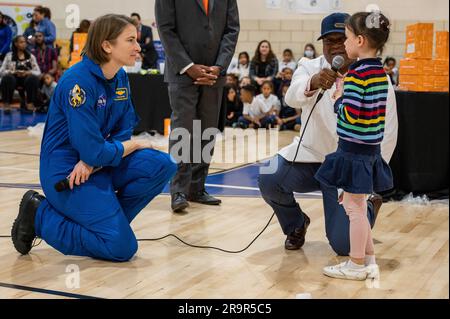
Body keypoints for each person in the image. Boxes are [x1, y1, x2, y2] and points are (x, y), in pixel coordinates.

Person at [11, 14, 177, 262]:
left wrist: (95, 159)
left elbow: (123, 125)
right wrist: (126, 146)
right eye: (130, 40)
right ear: (107, 45)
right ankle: (39, 214)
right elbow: (94, 147)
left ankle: (108, 224)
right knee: (122, 249)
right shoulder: (77, 82)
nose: (137, 46)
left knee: (163, 165)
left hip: (97, 163)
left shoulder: (120, 76)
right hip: (66, 172)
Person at [258, 13, 398, 260]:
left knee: (343, 246)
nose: (334, 46)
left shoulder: (377, 77)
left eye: (340, 39)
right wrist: (312, 83)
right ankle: (296, 224)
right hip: (311, 158)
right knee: (269, 175)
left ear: (355, 41)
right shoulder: (309, 66)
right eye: (328, 41)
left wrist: (366, 180)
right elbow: (291, 97)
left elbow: (388, 132)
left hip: (348, 166)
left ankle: (368, 205)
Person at [315, 11, 393, 281]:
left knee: (353, 208)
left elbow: (351, 114)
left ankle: (356, 264)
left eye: (346, 38)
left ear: (360, 40)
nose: (344, 45)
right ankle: (369, 259)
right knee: (357, 204)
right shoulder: (380, 72)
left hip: (354, 149)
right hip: (370, 149)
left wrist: (338, 99)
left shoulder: (357, 75)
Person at [155, 0, 240, 213]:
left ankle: (197, 188)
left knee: (207, 131)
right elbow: (166, 29)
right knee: (183, 131)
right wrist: (188, 66)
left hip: (214, 75)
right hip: (182, 72)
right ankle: (179, 191)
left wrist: (219, 66)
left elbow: (232, 29)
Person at [0, 35, 41, 114]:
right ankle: (7, 103)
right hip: (13, 79)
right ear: (16, 44)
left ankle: (30, 103)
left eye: (25, 42)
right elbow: (1, 71)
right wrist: (13, 72)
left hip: (26, 79)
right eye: (21, 42)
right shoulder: (9, 56)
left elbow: (38, 72)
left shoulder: (30, 56)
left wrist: (28, 72)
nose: (24, 44)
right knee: (7, 78)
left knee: (33, 78)